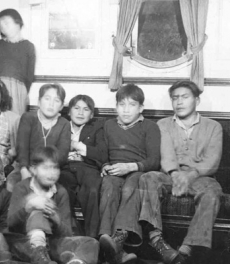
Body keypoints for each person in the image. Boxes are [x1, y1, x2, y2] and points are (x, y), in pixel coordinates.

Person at [101, 81, 223, 264]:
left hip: (200, 177)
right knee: (148, 178)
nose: (179, 102)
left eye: (185, 97)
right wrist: (175, 175)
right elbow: (165, 156)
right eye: (175, 98)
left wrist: (189, 176)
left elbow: (212, 162)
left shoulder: (213, 127)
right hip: (170, 174)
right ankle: (156, 239)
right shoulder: (164, 124)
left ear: (197, 100)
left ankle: (188, 248)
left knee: (212, 193)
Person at [98, 84, 161, 264]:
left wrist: (131, 166)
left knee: (130, 187)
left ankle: (119, 237)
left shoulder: (150, 126)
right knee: (109, 185)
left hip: (138, 170)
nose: (126, 110)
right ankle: (106, 239)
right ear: (115, 106)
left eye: (132, 105)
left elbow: (154, 161)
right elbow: (103, 153)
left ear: (141, 108)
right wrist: (105, 165)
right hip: (115, 170)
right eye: (121, 104)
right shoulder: (108, 125)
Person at [6, 147, 99, 264]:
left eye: (55, 168)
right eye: (45, 168)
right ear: (33, 170)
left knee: (91, 243)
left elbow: (67, 233)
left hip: (53, 243)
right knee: (36, 214)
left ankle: (76, 261)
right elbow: (11, 224)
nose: (51, 173)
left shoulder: (60, 192)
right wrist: (28, 207)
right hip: (27, 242)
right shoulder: (22, 187)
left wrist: (55, 217)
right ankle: (42, 255)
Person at [6, 83, 70, 192]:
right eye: (47, 99)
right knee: (13, 183)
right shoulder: (28, 118)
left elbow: (62, 155)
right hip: (26, 166)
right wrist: (24, 170)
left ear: (61, 106)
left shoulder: (64, 124)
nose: (51, 104)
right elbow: (22, 148)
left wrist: (44, 171)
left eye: (56, 100)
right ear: (39, 102)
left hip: (51, 169)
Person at [57, 95, 106, 238]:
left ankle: (92, 237)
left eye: (86, 109)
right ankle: (68, 235)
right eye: (76, 108)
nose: (80, 113)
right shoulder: (61, 126)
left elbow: (102, 153)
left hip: (88, 168)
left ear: (91, 115)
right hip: (65, 168)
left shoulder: (97, 128)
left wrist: (81, 148)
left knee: (92, 190)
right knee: (63, 190)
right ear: (69, 112)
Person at [0, 9, 35, 115]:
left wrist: (23, 91)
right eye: (0, 25)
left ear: (18, 22)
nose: (3, 27)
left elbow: (29, 74)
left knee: (15, 121)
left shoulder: (28, 46)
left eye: (6, 23)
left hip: (18, 90)